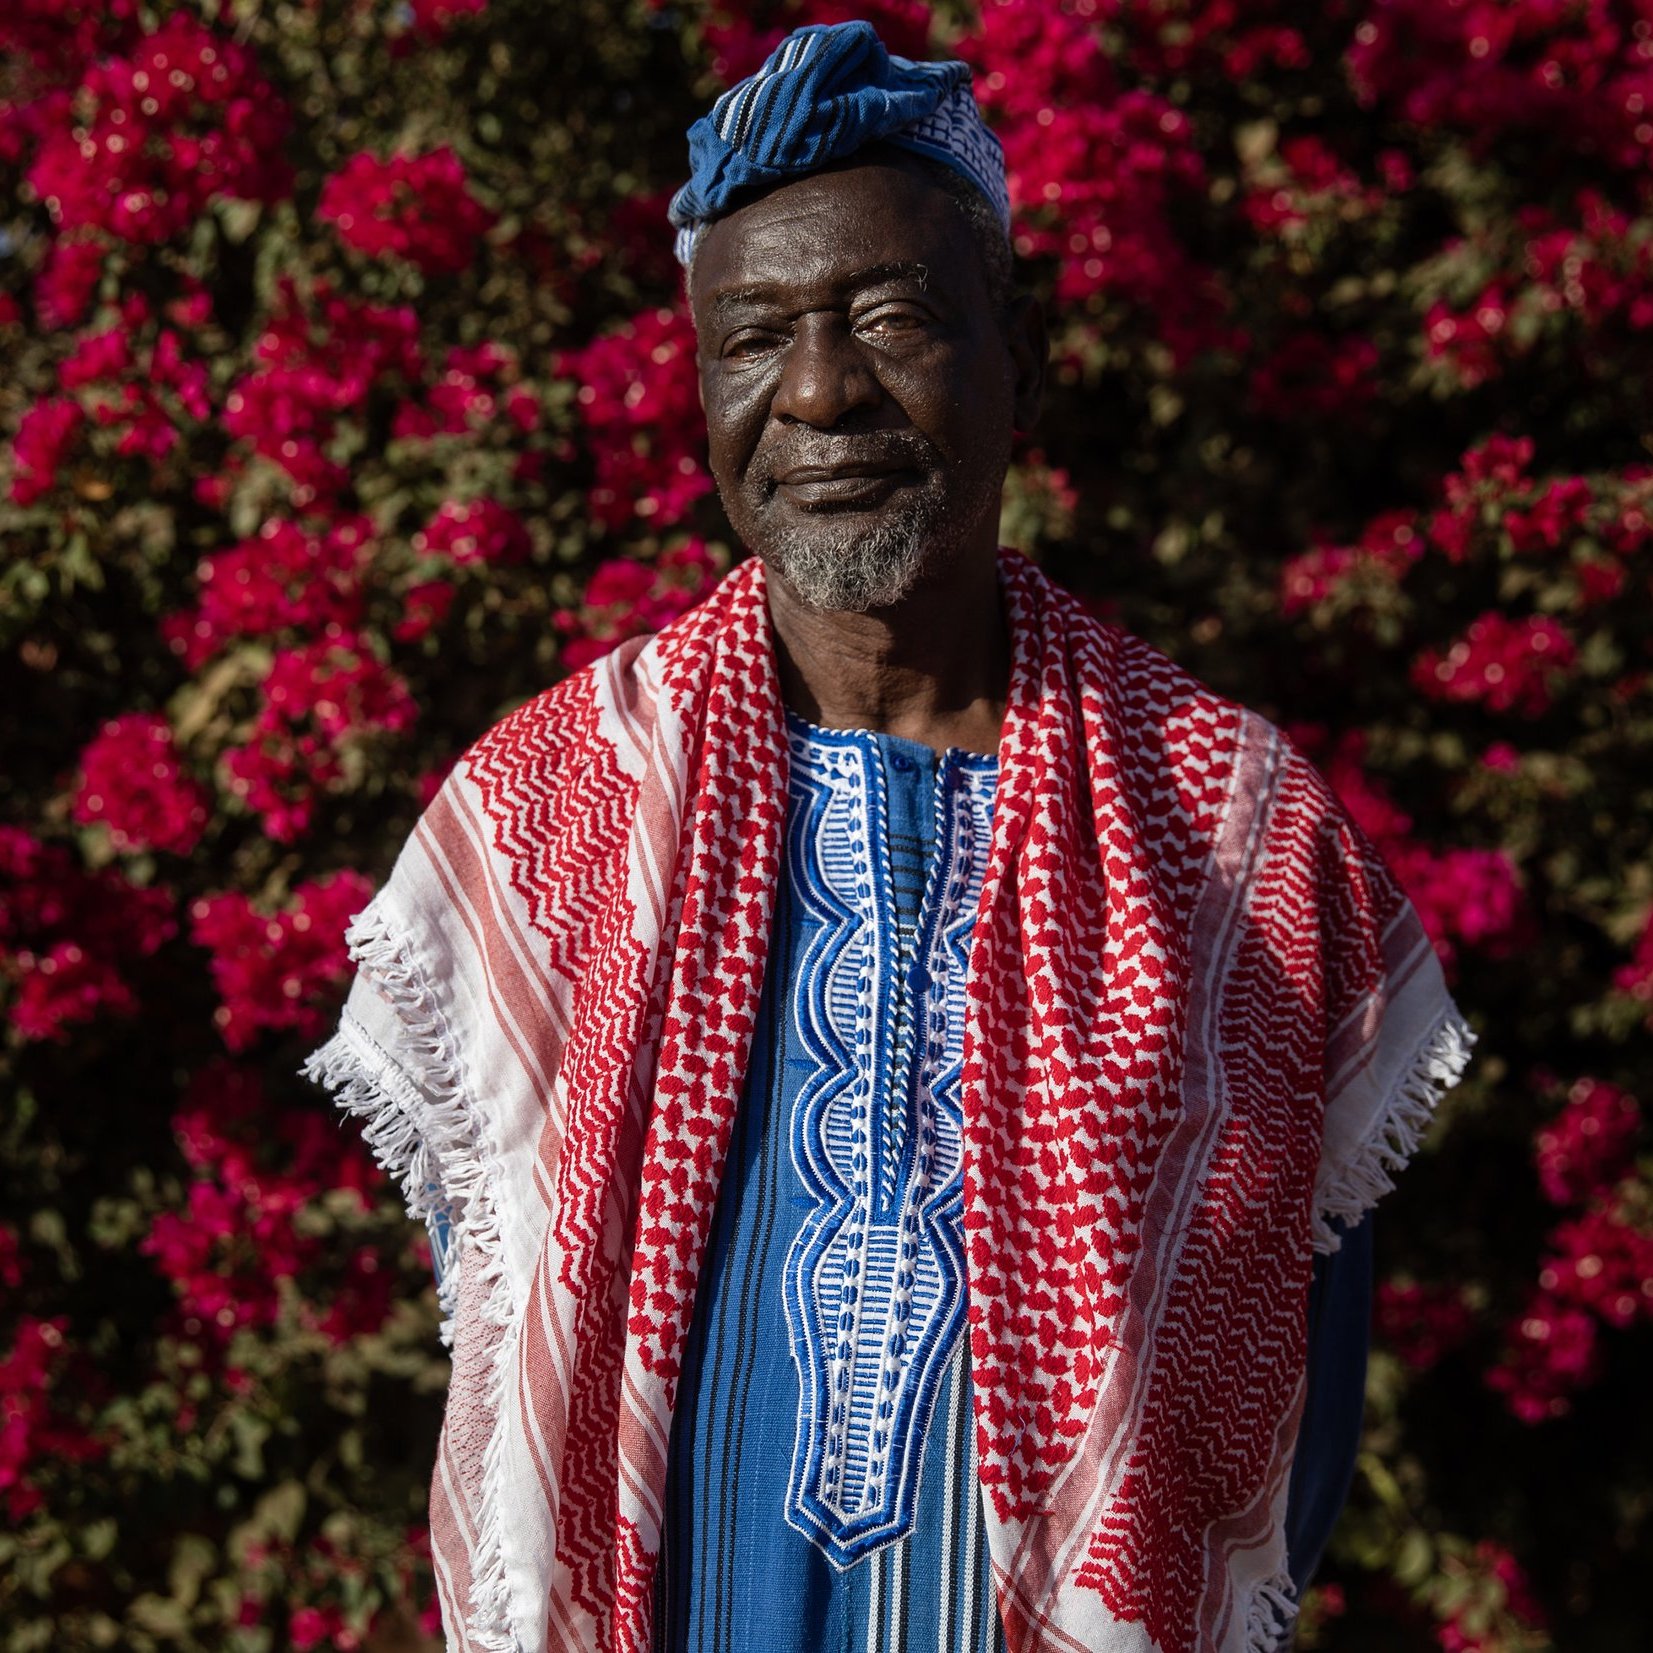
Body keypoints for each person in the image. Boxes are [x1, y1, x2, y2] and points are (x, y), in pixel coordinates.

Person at [304, 22, 1473, 1653]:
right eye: (753, 338)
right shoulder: (548, 808)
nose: (817, 392)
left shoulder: (1230, 834)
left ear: (1023, 358)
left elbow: (1292, 1390)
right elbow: (501, 1326)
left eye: (890, 318)